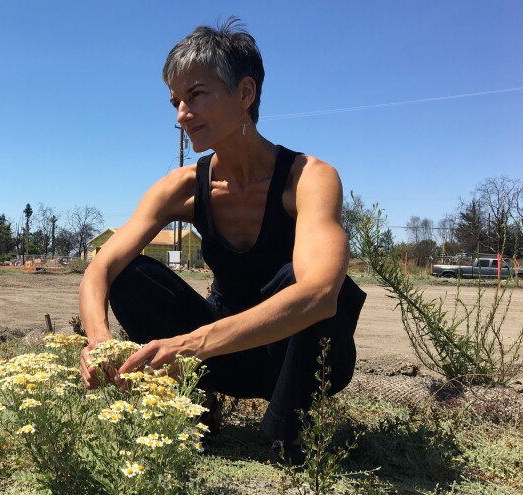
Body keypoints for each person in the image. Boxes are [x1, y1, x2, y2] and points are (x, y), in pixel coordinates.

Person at [77, 18, 366, 463]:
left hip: (297, 360)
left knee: (305, 282)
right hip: (219, 357)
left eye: (195, 96)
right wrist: (98, 341)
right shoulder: (184, 186)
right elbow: (101, 268)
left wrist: (189, 345)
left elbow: (322, 296)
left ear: (245, 93)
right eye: (175, 101)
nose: (180, 115)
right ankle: (200, 402)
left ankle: (288, 431)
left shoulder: (309, 178)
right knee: (129, 275)